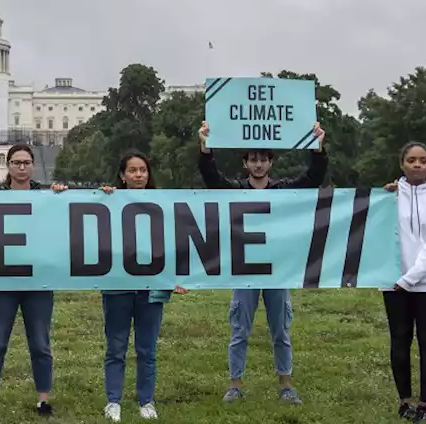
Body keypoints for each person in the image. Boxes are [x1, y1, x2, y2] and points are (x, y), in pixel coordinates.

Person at [197, 120, 326, 406]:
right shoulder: (235, 190)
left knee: (281, 330)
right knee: (239, 330)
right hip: (244, 270)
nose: (258, 165)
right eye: (253, 159)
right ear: (245, 163)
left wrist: (318, 147)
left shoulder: (283, 190)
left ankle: (286, 384)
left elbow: (313, 178)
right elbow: (212, 180)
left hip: (276, 271)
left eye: (263, 159)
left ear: (271, 163)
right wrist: (205, 149)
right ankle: (235, 384)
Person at [0, 144, 68, 418]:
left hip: (37, 281)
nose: (22, 167)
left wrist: (62, 196)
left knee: (40, 343)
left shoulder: (46, 195)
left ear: (33, 166)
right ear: (8, 166)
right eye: (16, 162)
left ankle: (43, 400)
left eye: (26, 162)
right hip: (2, 281)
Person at [97, 152, 188, 421]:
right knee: (116, 346)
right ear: (122, 175)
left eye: (143, 170)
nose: (138, 175)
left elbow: (175, 242)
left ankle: (146, 400)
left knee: (147, 349)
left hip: (152, 286)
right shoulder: (109, 201)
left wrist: (178, 278)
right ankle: (113, 401)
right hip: (117, 285)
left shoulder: (163, 204)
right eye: (133, 170)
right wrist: (102, 197)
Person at [382, 142, 426, 422]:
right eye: (411, 160)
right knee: (399, 339)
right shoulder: (388, 195)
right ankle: (404, 401)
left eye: (422, 160)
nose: (416, 165)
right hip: (393, 279)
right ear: (402, 164)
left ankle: (425, 405)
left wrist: (410, 279)